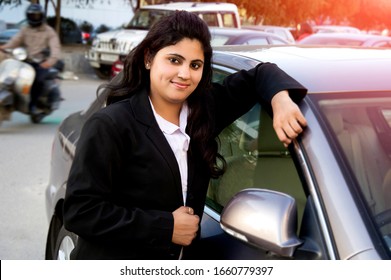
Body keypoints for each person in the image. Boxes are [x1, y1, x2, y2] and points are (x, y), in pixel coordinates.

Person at [63, 10, 308, 260]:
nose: (184, 74)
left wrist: (281, 100)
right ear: (149, 58)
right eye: (174, 60)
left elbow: (261, 73)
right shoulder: (111, 124)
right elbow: (80, 211)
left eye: (195, 65)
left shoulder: (204, 111)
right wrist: (166, 227)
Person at [0, 3, 61, 114]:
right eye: (32, 15)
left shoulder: (49, 31)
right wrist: (4, 47)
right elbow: (15, 41)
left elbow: (55, 49)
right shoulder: (25, 29)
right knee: (10, 74)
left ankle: (33, 104)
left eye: (36, 16)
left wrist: (49, 62)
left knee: (37, 80)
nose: (34, 18)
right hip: (25, 60)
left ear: (41, 16)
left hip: (40, 62)